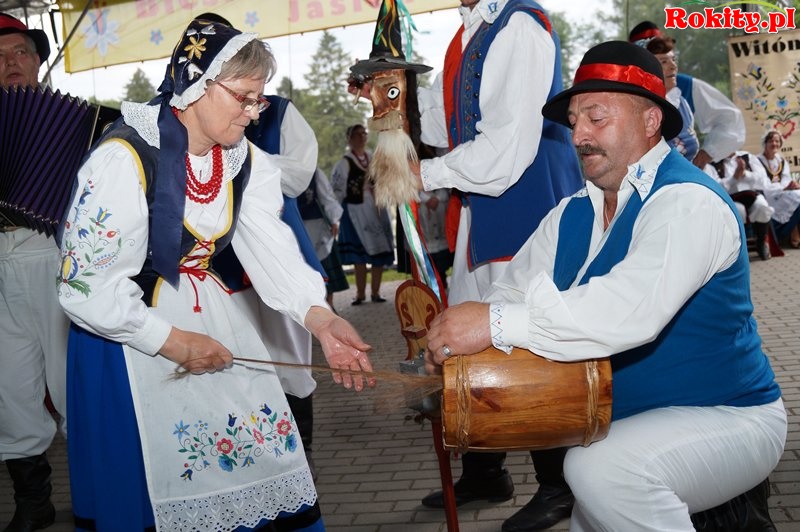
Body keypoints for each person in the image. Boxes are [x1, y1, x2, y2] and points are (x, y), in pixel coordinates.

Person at [424, 40, 787, 532]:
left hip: (732, 416)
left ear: (651, 120)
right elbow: (509, 291)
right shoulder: (571, 212)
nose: (579, 135)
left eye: (596, 117)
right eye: (574, 122)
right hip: (627, 427)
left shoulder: (688, 201)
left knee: (598, 469)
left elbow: (627, 310)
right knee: (597, 489)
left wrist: (494, 323)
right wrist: (462, 344)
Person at [57, 19, 375, 531]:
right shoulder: (124, 158)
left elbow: (270, 245)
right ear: (197, 84)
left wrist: (319, 318)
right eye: (243, 98)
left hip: (211, 317)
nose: (253, 113)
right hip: (127, 340)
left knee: (259, 458)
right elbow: (84, 287)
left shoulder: (240, 159)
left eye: (258, 100)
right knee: (160, 484)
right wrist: (171, 340)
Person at [406, 1, 584, 529]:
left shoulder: (520, 25)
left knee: (528, 338)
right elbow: (444, 124)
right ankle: (486, 470)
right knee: (470, 331)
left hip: (526, 206)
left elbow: (506, 148)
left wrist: (423, 175)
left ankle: (560, 485)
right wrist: (395, 95)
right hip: (483, 208)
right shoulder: (468, 34)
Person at [0, 13, 69, 532]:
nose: (10, 63)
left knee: (70, 380)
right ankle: (33, 501)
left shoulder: (75, 120)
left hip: (56, 257)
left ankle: (101, 492)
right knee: (9, 388)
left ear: (38, 60)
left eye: (20, 51)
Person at [629, 21, 745, 169]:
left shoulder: (684, 88)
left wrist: (707, 153)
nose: (672, 66)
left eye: (672, 59)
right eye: (663, 61)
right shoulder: (629, 97)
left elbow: (731, 118)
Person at [331, 124, 394, 305]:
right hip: (354, 212)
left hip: (375, 209)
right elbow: (338, 190)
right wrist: (335, 215)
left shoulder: (372, 158)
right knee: (359, 256)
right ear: (349, 139)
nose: (362, 137)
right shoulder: (344, 163)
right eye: (357, 134)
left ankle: (375, 292)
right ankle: (360, 294)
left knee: (379, 251)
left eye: (364, 133)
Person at [298, 168, 350, 310]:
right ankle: (318, 305)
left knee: (323, 265)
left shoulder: (315, 173)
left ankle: (329, 304)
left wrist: (334, 220)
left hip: (317, 224)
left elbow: (327, 197)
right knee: (312, 267)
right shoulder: (286, 169)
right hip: (298, 226)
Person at [716, 151, 776, 260]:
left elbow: (763, 180)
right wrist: (734, 178)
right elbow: (716, 186)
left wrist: (745, 174)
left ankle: (761, 242)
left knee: (762, 207)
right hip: (730, 198)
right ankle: (738, 249)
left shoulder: (748, 157)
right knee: (739, 211)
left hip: (751, 195)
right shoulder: (715, 161)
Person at [757, 130, 800, 248]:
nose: (774, 144)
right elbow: (763, 184)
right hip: (767, 195)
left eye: (777, 141)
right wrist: (784, 188)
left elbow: (786, 179)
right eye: (771, 141)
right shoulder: (758, 161)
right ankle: (791, 235)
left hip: (782, 193)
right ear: (765, 143)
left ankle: (794, 233)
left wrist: (791, 185)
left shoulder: (781, 161)